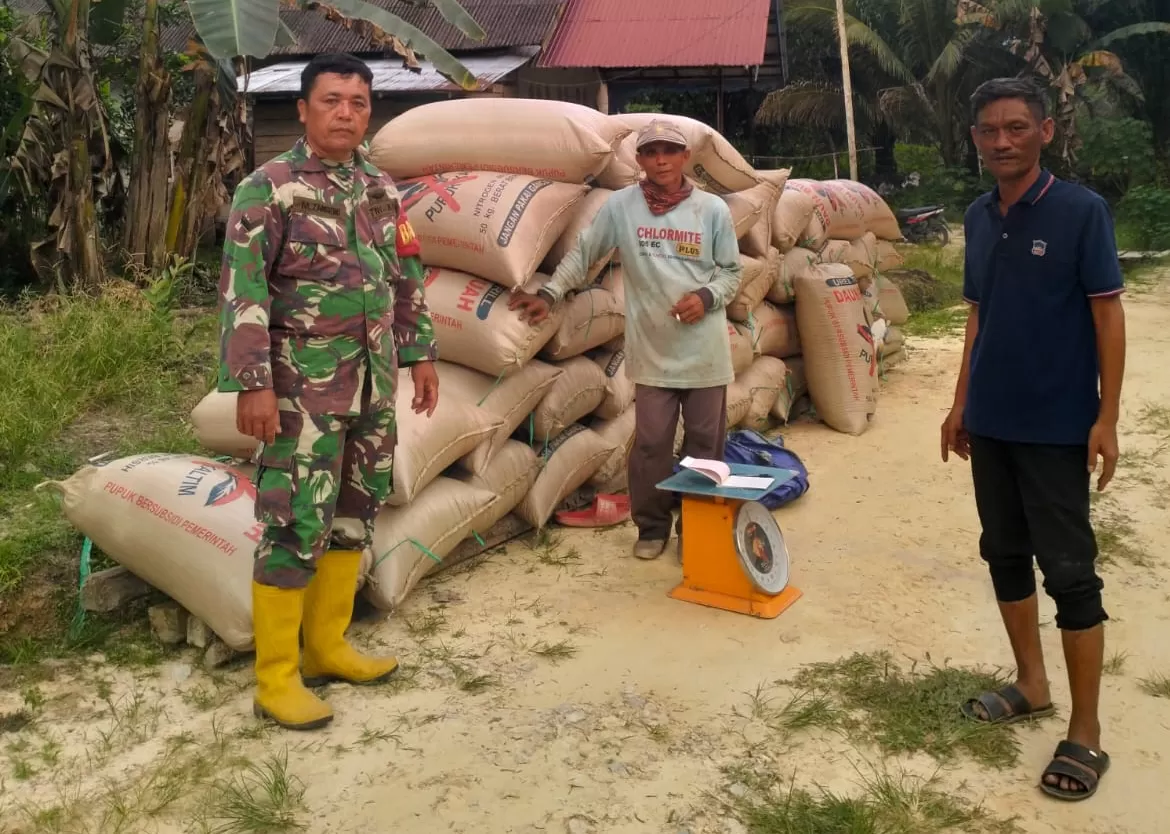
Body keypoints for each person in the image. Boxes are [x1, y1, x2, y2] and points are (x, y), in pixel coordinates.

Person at [217, 52, 439, 731]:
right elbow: (242, 293)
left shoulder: (379, 186)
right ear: (305, 109)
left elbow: (405, 274)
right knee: (293, 523)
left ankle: (328, 645)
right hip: (300, 393)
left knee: (353, 512)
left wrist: (421, 352)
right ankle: (277, 678)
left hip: (372, 383)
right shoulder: (269, 188)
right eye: (333, 100)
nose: (347, 112)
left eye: (359, 102)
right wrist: (252, 385)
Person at [942, 77, 1126, 801]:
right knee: (1003, 551)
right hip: (991, 422)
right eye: (989, 130)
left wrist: (1106, 417)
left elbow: (1108, 317)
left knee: (1072, 573)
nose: (1002, 141)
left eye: (1017, 127)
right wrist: (960, 403)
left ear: (1045, 131)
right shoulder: (980, 216)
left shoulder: (1082, 212)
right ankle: (1031, 683)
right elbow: (978, 317)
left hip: (1056, 426)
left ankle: (1086, 731)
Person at [510, 119, 742, 560]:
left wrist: (706, 296)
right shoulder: (622, 207)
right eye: (651, 152)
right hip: (652, 351)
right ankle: (652, 527)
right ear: (639, 160)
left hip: (705, 353)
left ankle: (697, 529)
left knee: (704, 448)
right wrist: (551, 292)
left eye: (670, 152)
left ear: (684, 158)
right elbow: (584, 253)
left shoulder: (711, 210)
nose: (661, 160)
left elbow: (731, 272)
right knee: (652, 443)